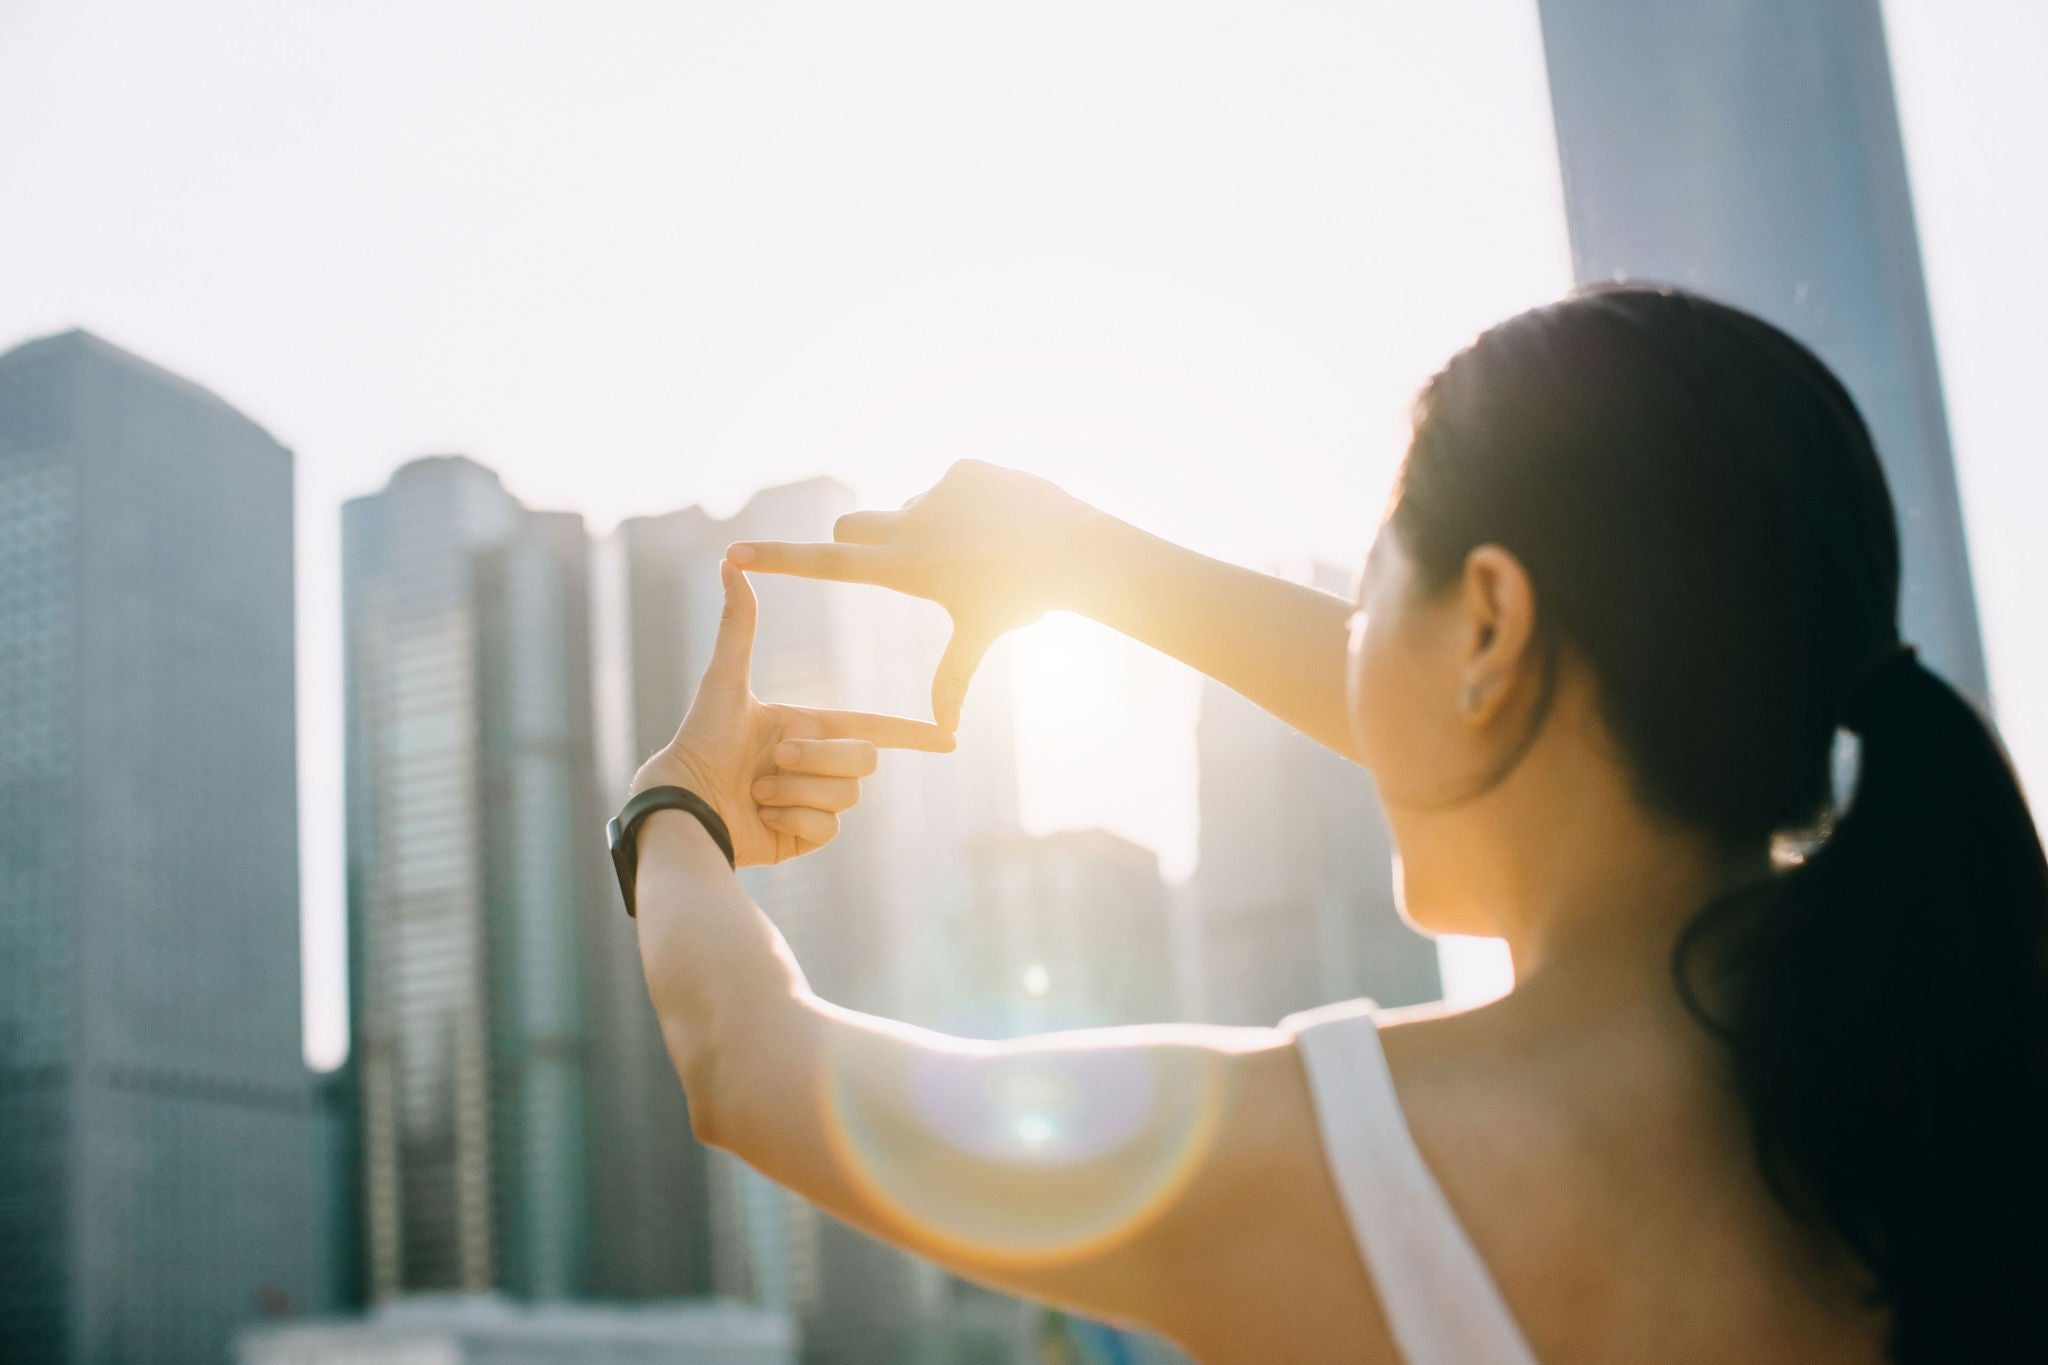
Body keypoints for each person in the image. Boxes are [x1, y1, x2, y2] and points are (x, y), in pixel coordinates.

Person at [617, 284, 2048, 1363]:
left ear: (1488, 617)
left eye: (1376, 591)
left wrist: (673, 805)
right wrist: (1084, 561)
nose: (1354, 646)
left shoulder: (1352, 1160)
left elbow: (749, 1060)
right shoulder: (1968, 1091)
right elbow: (1517, 724)